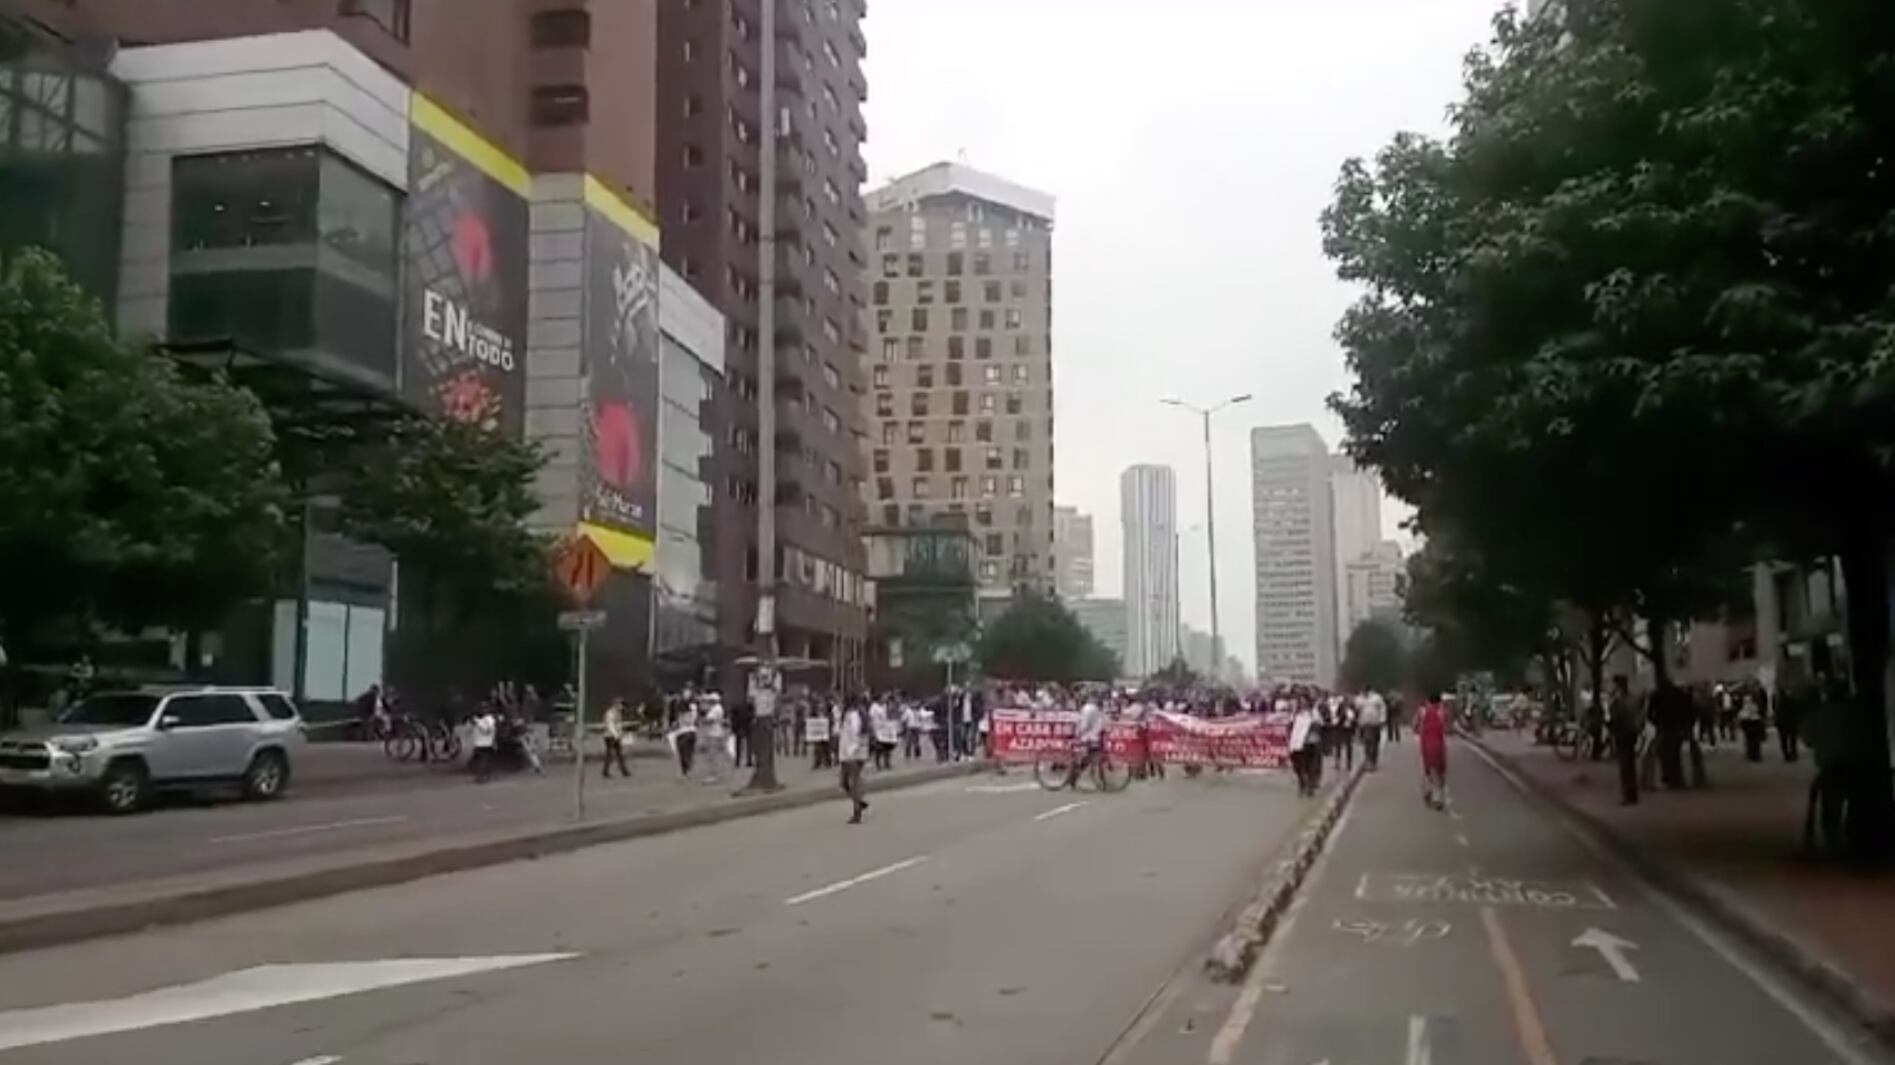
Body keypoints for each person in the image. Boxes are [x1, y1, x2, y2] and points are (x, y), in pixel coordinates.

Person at [1608, 675, 1642, 805]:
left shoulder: (1620, 700)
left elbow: (1617, 715)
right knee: (1629, 765)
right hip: (1629, 733)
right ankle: (1631, 794)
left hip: (1623, 733)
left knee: (1625, 766)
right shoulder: (1631, 698)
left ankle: (1629, 794)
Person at [838, 698, 869, 823]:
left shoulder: (853, 716)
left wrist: (852, 750)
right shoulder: (847, 715)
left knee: (853, 782)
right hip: (848, 753)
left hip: (852, 754)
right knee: (844, 782)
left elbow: (856, 733)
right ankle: (859, 802)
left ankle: (857, 812)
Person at [1417, 695, 1449, 809]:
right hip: (1438, 745)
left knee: (1428, 770)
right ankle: (1437, 797)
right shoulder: (1441, 713)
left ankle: (1429, 791)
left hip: (1426, 744)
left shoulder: (1423, 713)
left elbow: (1418, 728)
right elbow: (1445, 729)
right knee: (1439, 771)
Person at [1288, 701, 1320, 798]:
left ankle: (1309, 787)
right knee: (1298, 766)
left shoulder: (1313, 714)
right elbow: (1290, 727)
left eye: (1305, 703)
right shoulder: (1294, 715)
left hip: (1310, 743)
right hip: (1296, 744)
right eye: (1301, 703)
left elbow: (1318, 726)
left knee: (1309, 766)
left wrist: (1310, 729)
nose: (1303, 705)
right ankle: (1302, 784)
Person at [699, 693, 730, 784]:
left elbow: (710, 720)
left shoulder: (715, 709)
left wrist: (702, 720)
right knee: (714, 755)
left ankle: (714, 775)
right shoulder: (717, 708)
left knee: (713, 755)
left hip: (714, 733)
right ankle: (716, 774)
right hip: (715, 733)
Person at [1356, 688, 1386, 770]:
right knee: (1366, 742)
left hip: (1374, 723)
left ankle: (1372, 761)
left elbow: (1383, 708)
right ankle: (1368, 760)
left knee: (1373, 742)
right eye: (1363, 692)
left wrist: (1382, 720)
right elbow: (1356, 708)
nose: (1364, 694)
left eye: (1366, 692)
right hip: (1364, 722)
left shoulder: (1377, 698)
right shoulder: (1360, 698)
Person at [601, 697, 631, 779]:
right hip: (610, 736)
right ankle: (606, 772)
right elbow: (610, 725)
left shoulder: (619, 713)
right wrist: (616, 735)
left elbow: (619, 725)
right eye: (621, 704)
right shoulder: (610, 713)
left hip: (615, 736)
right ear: (616, 704)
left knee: (619, 754)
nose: (623, 706)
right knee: (610, 754)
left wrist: (621, 733)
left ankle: (624, 771)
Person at [469, 704, 499, 783]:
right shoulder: (483, 719)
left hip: (485, 743)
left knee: (484, 760)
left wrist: (478, 722)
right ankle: (484, 776)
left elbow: (487, 729)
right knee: (484, 760)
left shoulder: (488, 719)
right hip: (482, 743)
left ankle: (482, 777)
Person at [671, 693, 699, 778]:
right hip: (687, 732)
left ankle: (686, 770)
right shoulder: (689, 712)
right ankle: (686, 770)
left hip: (685, 732)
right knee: (686, 753)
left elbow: (689, 720)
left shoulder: (690, 712)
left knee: (684, 753)